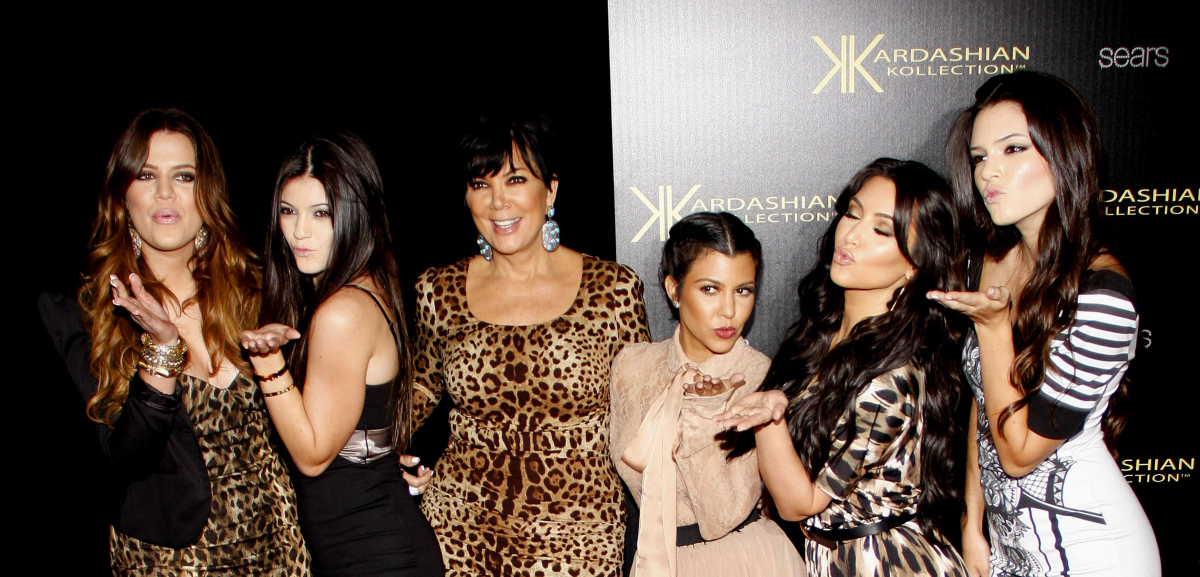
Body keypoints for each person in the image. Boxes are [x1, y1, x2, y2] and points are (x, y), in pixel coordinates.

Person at [38, 108, 309, 574]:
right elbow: (129, 458)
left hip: (281, 548)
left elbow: (311, 428)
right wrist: (162, 349)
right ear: (122, 194)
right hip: (172, 563)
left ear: (207, 192)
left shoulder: (258, 291)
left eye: (184, 176)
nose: (165, 192)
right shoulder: (86, 314)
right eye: (146, 175)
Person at [929, 71, 1160, 577]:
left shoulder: (1102, 295)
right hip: (1011, 550)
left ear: (1064, 153)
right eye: (979, 157)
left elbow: (1019, 453)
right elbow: (986, 399)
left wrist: (994, 329)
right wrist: (973, 522)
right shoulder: (991, 261)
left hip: (1094, 550)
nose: (988, 173)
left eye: (1013, 149)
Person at [411, 112, 651, 576]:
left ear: (551, 190)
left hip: (579, 533)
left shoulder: (613, 289)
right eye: (480, 184)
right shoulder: (437, 290)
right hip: (459, 529)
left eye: (516, 179)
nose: (498, 201)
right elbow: (419, 390)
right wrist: (373, 452)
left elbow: (643, 409)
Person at [716, 159, 970, 577]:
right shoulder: (823, 335)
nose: (851, 234)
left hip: (887, 565)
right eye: (853, 213)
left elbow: (799, 503)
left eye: (881, 230)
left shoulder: (891, 380)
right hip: (837, 558)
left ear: (915, 264)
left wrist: (769, 420)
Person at [240, 133, 443, 576]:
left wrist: (268, 361)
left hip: (376, 556)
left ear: (355, 214)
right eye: (288, 211)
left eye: (321, 213)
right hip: (372, 545)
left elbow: (312, 455)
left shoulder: (341, 312)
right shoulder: (367, 287)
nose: (300, 231)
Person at [609, 212, 806, 577]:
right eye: (710, 289)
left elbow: (721, 517)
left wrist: (701, 412)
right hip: (655, 563)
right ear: (674, 289)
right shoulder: (631, 368)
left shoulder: (758, 377)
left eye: (743, 290)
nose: (729, 311)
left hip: (743, 562)